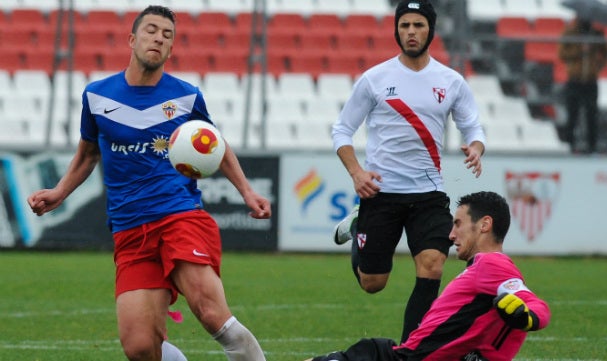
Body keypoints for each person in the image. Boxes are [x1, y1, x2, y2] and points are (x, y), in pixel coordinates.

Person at [27, 6, 270, 361]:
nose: (158, 37)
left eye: (167, 35)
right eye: (151, 30)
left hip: (179, 216)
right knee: (141, 348)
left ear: (171, 50)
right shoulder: (97, 96)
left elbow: (215, 142)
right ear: (132, 39)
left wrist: (247, 191)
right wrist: (59, 192)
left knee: (212, 313)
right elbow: (88, 154)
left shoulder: (186, 96)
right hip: (129, 229)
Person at [331, 0, 486, 343]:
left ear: (430, 29)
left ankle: (410, 351)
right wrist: (357, 173)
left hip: (428, 194)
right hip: (381, 194)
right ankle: (358, 224)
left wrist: (476, 147)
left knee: (432, 265)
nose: (411, 32)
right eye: (404, 26)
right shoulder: (375, 79)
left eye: (418, 25)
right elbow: (341, 130)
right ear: (396, 30)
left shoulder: (451, 81)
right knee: (373, 283)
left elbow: (473, 127)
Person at [308, 191, 551, 361]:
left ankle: (360, 224)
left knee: (361, 353)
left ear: (484, 224)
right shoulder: (484, 268)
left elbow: (533, 303)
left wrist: (528, 317)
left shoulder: (492, 264)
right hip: (411, 354)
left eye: (457, 224)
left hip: (409, 358)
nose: (451, 234)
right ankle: (359, 225)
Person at [558, 17, 607, 154]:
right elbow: (562, 54)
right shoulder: (570, 33)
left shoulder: (597, 35)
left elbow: (606, 54)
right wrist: (581, 50)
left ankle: (591, 145)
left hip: (590, 80)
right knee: (572, 114)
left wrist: (597, 67)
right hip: (574, 79)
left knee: (591, 115)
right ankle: (569, 144)